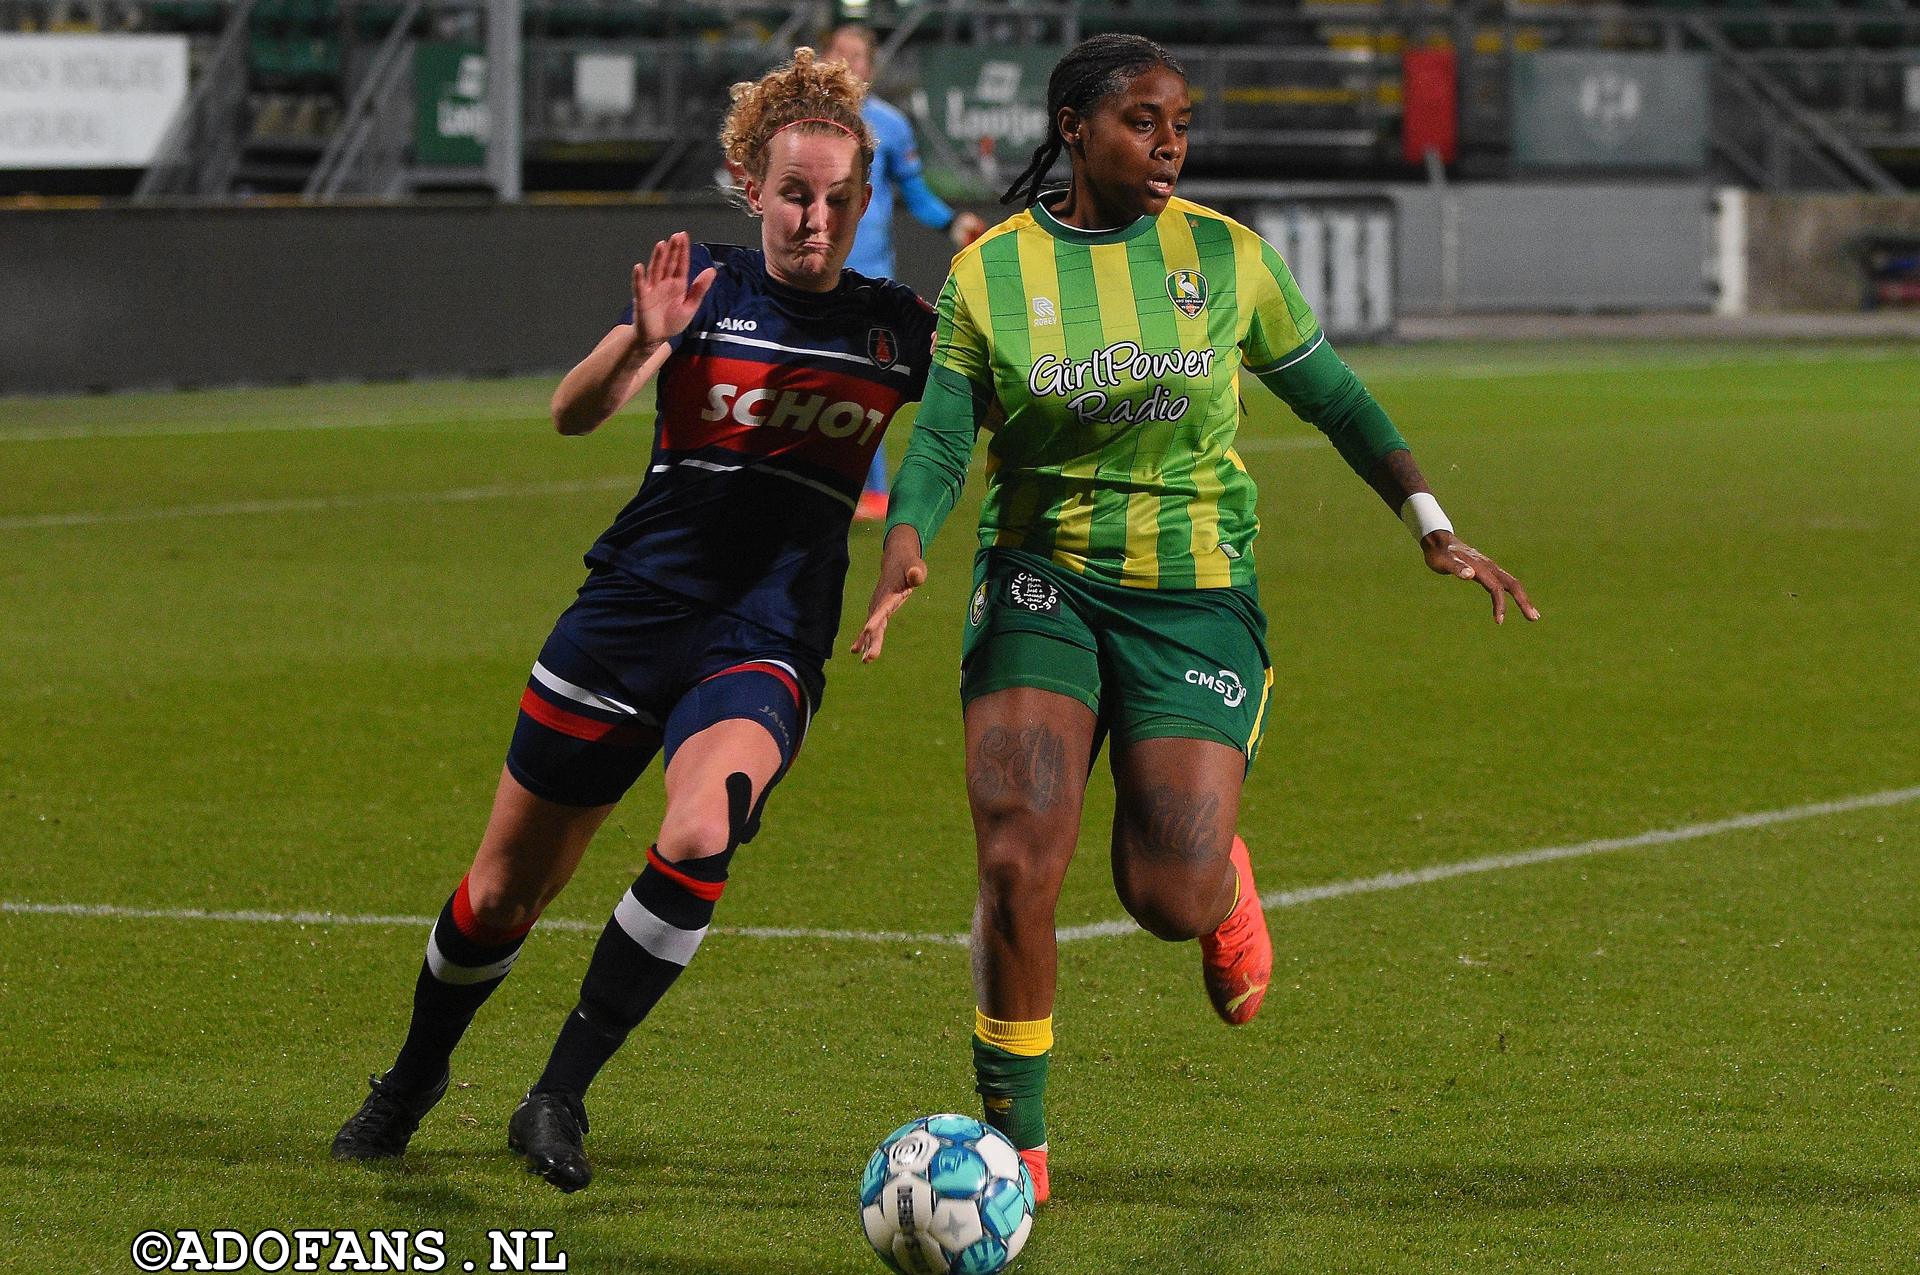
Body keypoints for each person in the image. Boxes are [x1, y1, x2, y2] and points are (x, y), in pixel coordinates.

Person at [854, 33, 1538, 1206]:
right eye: (1142, 120)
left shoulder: (1224, 258)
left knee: (1163, 896)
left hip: (1194, 595)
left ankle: (1220, 886)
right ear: (1075, 126)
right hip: (1040, 578)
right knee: (1019, 855)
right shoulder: (990, 275)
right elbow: (942, 433)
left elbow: (1336, 397)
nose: (1169, 142)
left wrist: (1430, 520)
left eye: (1180, 122)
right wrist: (908, 536)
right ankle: (1014, 1148)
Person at [330, 47, 935, 1194]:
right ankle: (410, 1078)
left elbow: (964, 431)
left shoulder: (897, 328)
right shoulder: (697, 286)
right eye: (793, 194)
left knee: (704, 830)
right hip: (629, 616)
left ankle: (557, 1096)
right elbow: (573, 414)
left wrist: (911, 541)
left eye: (837, 199)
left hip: (763, 635)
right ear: (750, 186)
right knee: (505, 892)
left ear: (862, 200)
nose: (814, 220)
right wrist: (640, 343)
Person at [821, 22, 986, 522]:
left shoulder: (889, 125)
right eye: (839, 53)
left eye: (858, 56)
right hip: (812, 269)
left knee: (855, 381)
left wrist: (954, 222)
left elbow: (914, 195)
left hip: (867, 276)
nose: (847, 64)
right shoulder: (804, 121)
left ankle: (868, 491)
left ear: (871, 70)